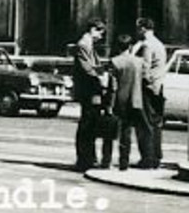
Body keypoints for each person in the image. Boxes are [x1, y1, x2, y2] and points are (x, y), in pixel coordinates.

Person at [106, 34, 152, 170]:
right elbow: (146, 77)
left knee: (116, 132)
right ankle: (127, 161)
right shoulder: (139, 62)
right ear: (130, 46)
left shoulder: (114, 61)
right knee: (131, 131)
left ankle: (116, 160)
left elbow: (112, 86)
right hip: (136, 100)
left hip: (120, 100)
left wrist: (109, 103)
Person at [71, 19, 107, 171]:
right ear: (92, 29)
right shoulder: (83, 45)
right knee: (87, 124)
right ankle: (84, 159)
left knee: (91, 124)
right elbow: (88, 68)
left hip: (92, 89)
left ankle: (89, 157)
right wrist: (101, 78)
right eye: (99, 32)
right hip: (88, 90)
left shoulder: (89, 45)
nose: (100, 36)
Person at [133, 17, 167, 169]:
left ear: (143, 29)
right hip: (158, 87)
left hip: (148, 88)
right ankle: (156, 156)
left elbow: (145, 69)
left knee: (145, 124)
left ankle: (147, 158)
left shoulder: (147, 45)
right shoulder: (159, 44)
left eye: (138, 28)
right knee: (156, 124)